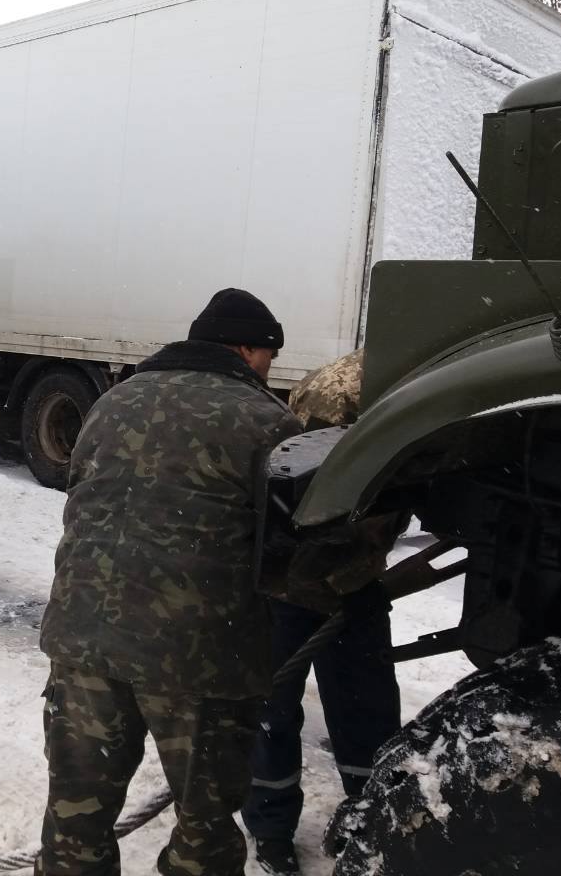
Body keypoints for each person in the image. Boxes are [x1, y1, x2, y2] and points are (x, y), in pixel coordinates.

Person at [37, 288, 302, 876]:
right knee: (203, 830)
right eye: (267, 357)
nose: (268, 370)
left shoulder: (113, 402)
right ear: (241, 348)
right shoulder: (269, 422)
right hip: (198, 659)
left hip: (82, 640)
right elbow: (291, 548)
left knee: (75, 818)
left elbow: (82, 496)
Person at [242, 349, 403, 876]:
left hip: (354, 582)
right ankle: (270, 832)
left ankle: (370, 818)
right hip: (293, 585)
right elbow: (297, 499)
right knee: (273, 711)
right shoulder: (337, 394)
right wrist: (327, 575)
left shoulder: (402, 384)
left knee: (367, 710)